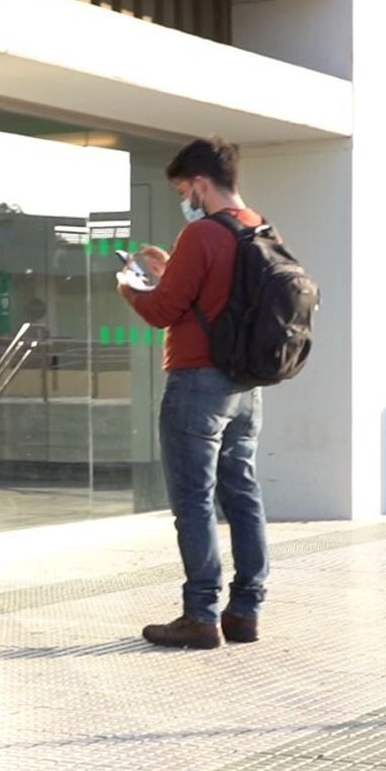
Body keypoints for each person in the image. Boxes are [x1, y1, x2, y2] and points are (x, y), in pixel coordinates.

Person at [118, 135, 269, 650]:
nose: (186, 198)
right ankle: (246, 609)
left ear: (201, 184)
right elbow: (211, 294)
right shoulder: (257, 227)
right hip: (245, 386)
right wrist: (169, 273)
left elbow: (162, 312)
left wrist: (132, 286)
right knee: (243, 494)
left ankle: (200, 614)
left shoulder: (203, 234)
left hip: (197, 383)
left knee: (194, 501)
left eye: (185, 188)